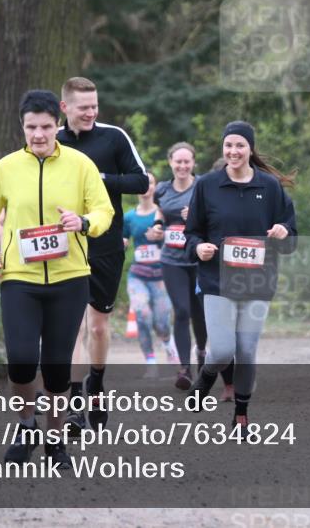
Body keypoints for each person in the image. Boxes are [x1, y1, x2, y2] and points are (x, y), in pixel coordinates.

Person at [0, 89, 113, 467]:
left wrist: (84, 223)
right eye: (31, 127)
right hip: (19, 277)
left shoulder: (80, 164)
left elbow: (103, 210)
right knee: (20, 361)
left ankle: (55, 441)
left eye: (46, 127)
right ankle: (25, 427)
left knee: (56, 370)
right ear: (22, 127)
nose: (38, 134)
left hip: (69, 278)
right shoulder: (5, 168)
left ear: (58, 125)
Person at [183, 121, 297, 427]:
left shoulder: (270, 187)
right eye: (228, 145)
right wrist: (199, 248)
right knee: (221, 349)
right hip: (217, 280)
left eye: (240, 145)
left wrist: (283, 231)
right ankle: (207, 378)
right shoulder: (207, 185)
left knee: (246, 350)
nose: (233, 151)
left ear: (250, 149)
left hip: (257, 281)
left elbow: (291, 232)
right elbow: (191, 233)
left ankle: (242, 413)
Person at [57, 76, 148, 431]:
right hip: (66, 245)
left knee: (97, 327)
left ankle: (96, 380)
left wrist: (100, 179)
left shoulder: (113, 137)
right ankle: (76, 402)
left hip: (106, 245)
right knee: (75, 327)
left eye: (95, 106)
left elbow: (140, 181)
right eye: (84, 108)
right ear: (65, 108)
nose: (91, 113)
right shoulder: (53, 140)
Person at [146, 142, 203, 389]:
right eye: (177, 161)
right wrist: (158, 227)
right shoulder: (162, 189)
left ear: (193, 163)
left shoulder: (202, 187)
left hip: (200, 259)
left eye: (186, 161)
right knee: (181, 311)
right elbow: (160, 212)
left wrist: (196, 216)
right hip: (172, 259)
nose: (182, 166)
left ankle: (201, 354)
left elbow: (213, 215)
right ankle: (184, 369)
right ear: (170, 162)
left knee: (200, 313)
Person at [122, 171, 178, 366]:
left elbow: (177, 238)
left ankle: (169, 345)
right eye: (143, 183)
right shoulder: (129, 217)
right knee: (142, 314)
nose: (146, 187)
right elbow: (124, 239)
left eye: (151, 183)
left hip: (162, 275)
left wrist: (161, 236)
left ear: (155, 187)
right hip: (138, 275)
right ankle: (150, 360)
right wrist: (121, 244)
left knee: (162, 322)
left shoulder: (163, 213)